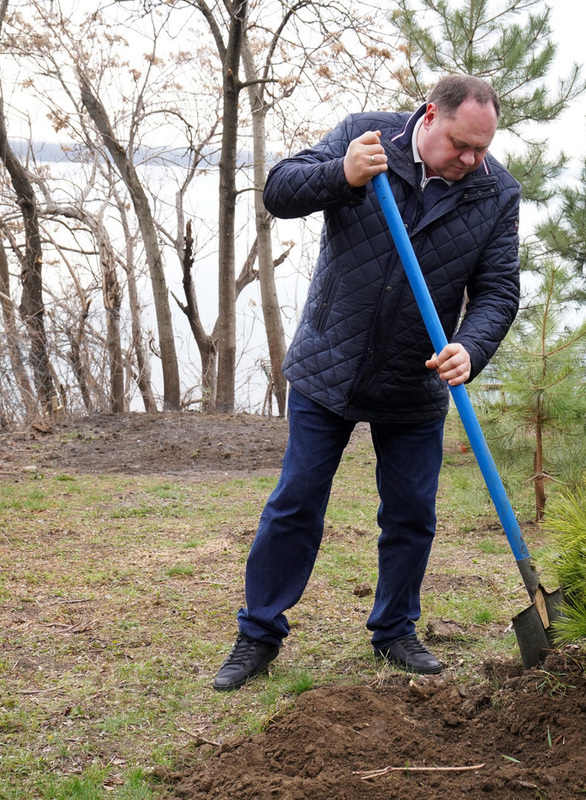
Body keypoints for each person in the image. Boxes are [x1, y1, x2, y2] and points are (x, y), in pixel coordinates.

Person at [212, 75, 521, 691]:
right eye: (461, 145)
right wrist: (342, 176)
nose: (472, 160)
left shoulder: (495, 192)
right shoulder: (363, 138)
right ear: (430, 116)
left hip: (417, 377)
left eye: (482, 148)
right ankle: (257, 635)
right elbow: (278, 192)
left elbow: (497, 290)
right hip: (332, 362)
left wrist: (472, 347)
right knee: (296, 500)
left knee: (411, 512)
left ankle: (396, 631)